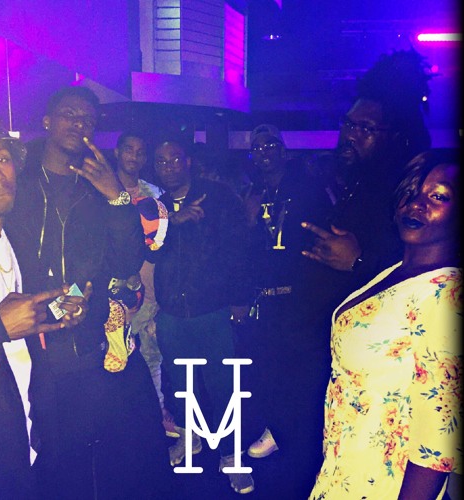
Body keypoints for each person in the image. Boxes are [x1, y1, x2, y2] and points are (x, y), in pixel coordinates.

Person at [5, 86, 171, 498]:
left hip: (87, 341)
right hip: (26, 340)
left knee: (101, 453)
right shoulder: (18, 184)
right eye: (69, 114)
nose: (79, 124)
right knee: (45, 453)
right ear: (47, 120)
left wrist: (116, 198)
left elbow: (122, 263)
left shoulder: (98, 188)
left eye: (88, 120)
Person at [310, 150, 462, 499]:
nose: (416, 204)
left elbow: (438, 439)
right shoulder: (397, 272)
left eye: (438, 197)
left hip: (386, 484)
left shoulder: (446, 294)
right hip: (346, 467)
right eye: (410, 192)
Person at [0, 106, 89, 499]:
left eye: (2, 158)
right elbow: (3, 324)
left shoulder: (18, 240)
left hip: (30, 438)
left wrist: (68, 307)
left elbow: (33, 307)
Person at [151, 137, 255, 494]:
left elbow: (239, 250)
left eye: (174, 159)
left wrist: (240, 299)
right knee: (180, 384)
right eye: (161, 161)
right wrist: (172, 223)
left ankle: (231, 455)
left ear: (188, 161)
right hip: (170, 312)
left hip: (212, 310)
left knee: (223, 386)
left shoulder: (219, 197)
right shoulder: (156, 207)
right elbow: (147, 252)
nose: (169, 167)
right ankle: (189, 438)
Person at [240, 124, 336, 497]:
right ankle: (278, 429)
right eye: (257, 146)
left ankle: (304, 443)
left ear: (283, 151)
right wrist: (249, 220)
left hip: (303, 297)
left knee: (305, 374)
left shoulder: (309, 189)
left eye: (270, 145)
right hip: (265, 299)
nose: (264, 151)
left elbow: (327, 239)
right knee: (269, 370)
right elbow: (243, 250)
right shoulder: (251, 193)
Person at [302, 48, 433, 296]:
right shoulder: (356, 180)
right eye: (348, 123)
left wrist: (358, 261)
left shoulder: (407, 192)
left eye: (366, 128)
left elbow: (422, 272)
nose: (350, 135)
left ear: (395, 137)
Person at [114, 129, 177, 436]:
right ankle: (122, 426)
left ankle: (156, 420)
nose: (134, 156)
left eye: (140, 152)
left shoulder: (155, 194)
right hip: (113, 294)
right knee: (115, 358)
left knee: (152, 359)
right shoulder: (101, 188)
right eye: (129, 149)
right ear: (117, 152)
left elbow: (164, 246)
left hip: (149, 292)